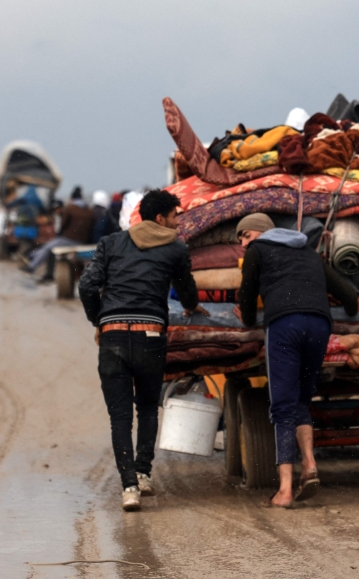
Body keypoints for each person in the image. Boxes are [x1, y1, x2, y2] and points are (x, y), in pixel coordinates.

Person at [78, 189, 208, 512]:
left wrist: (99, 319)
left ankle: (129, 488)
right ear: (161, 218)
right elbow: (187, 291)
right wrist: (192, 307)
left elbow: (86, 285)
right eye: (176, 216)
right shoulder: (175, 249)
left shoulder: (111, 243)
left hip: (113, 337)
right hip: (150, 335)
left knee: (119, 417)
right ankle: (143, 471)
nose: (179, 223)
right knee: (148, 407)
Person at [235, 213, 359, 508]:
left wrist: (249, 317)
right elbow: (350, 300)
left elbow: (247, 298)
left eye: (245, 235)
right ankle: (310, 464)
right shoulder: (308, 252)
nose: (242, 243)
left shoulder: (257, 251)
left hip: (284, 326)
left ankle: (286, 490)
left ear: (262, 233)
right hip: (319, 325)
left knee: (282, 405)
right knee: (302, 398)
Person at [25, 186, 96, 279]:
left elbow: (63, 225)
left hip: (69, 239)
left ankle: (31, 267)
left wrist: (60, 235)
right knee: (48, 247)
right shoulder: (90, 211)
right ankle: (32, 258)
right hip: (83, 241)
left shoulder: (70, 208)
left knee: (47, 248)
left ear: (72, 198)